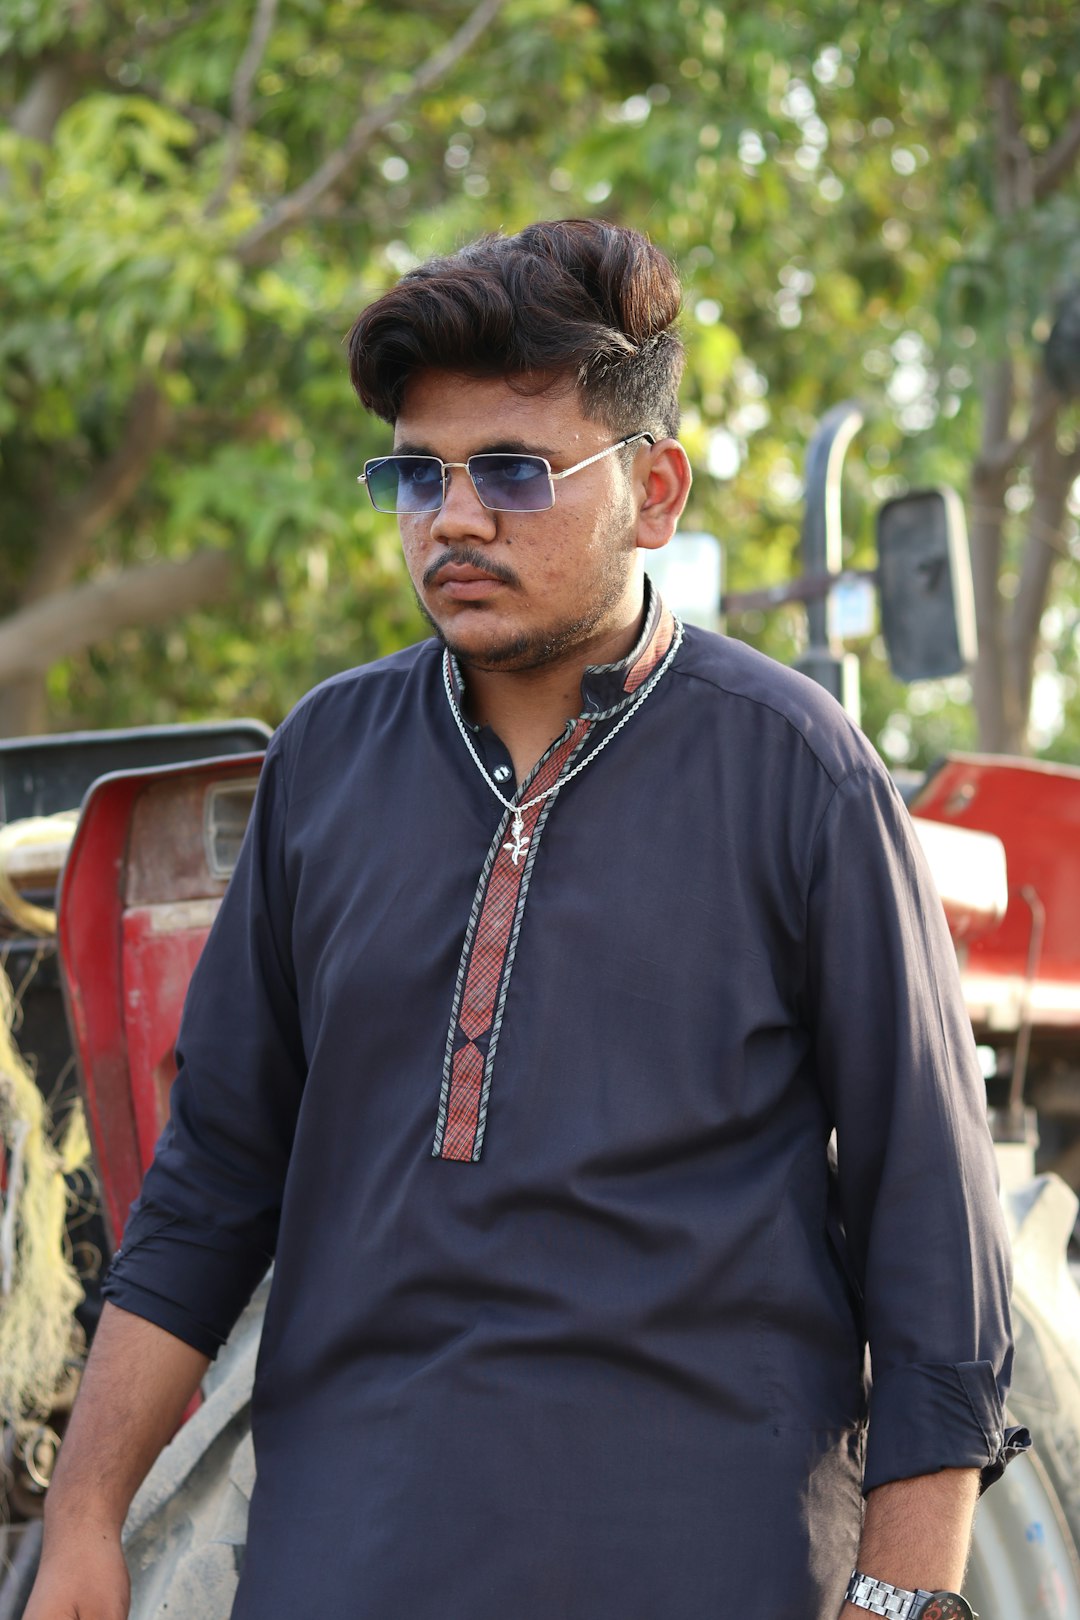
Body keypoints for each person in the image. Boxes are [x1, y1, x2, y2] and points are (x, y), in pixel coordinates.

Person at [27, 219, 1023, 1620]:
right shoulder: (325, 763)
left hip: (701, 1570)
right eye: (415, 475)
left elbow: (935, 1233)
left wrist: (904, 1598)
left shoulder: (795, 771)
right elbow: (211, 1183)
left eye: (512, 471)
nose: (455, 519)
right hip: (344, 1567)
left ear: (655, 492)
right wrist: (83, 1519)